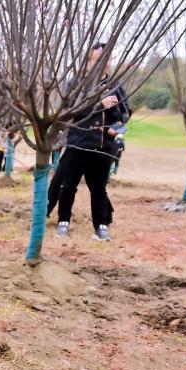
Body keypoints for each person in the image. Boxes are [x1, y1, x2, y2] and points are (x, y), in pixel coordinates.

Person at [55, 43, 131, 241]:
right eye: (97, 59)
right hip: (78, 142)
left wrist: (118, 126)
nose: (102, 63)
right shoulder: (77, 84)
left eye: (106, 59)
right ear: (89, 60)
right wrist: (99, 105)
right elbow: (70, 110)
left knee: (99, 188)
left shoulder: (115, 86)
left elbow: (125, 113)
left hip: (104, 145)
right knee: (68, 185)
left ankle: (101, 226)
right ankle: (63, 222)